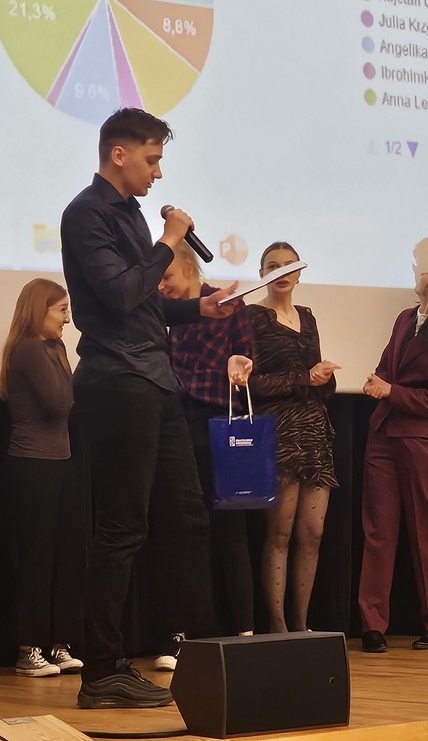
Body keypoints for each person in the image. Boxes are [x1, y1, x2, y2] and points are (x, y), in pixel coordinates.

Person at [60, 107, 239, 709]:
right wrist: (168, 243)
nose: (158, 173)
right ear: (120, 154)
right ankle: (101, 668)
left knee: (186, 517)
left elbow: (145, 303)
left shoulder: (132, 215)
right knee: (121, 527)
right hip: (119, 381)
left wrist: (198, 309)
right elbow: (118, 296)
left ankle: (185, 645)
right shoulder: (86, 214)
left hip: (156, 380)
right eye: (152, 159)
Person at [357, 261, 428, 653]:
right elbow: (386, 366)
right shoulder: (405, 318)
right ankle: (372, 625)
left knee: (427, 531)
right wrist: (377, 382)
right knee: (378, 531)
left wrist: (391, 391)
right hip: (383, 436)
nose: (420, 274)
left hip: (422, 442)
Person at [158, 242, 255, 654]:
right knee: (183, 528)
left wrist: (240, 365)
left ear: (188, 266)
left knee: (231, 528)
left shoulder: (228, 305)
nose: (161, 286)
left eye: (166, 276)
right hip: (178, 425)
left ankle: (244, 633)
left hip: (222, 425)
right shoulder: (162, 313)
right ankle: (182, 635)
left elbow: (248, 356)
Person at [245, 242, 339, 633]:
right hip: (278, 434)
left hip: (315, 431)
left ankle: (302, 624)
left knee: (312, 534)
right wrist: (304, 378)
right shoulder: (252, 317)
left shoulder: (308, 317)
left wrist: (324, 378)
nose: (281, 272)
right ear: (261, 274)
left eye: (288, 266)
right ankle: (278, 625)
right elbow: (251, 382)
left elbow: (317, 382)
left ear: (299, 273)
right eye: (272, 266)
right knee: (279, 534)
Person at [0, 278, 87, 677]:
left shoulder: (55, 348)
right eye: (61, 310)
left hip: (62, 462)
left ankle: (59, 642)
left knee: (66, 555)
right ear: (40, 310)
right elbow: (61, 402)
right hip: (33, 464)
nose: (67, 318)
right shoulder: (29, 349)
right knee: (37, 557)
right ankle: (29, 646)